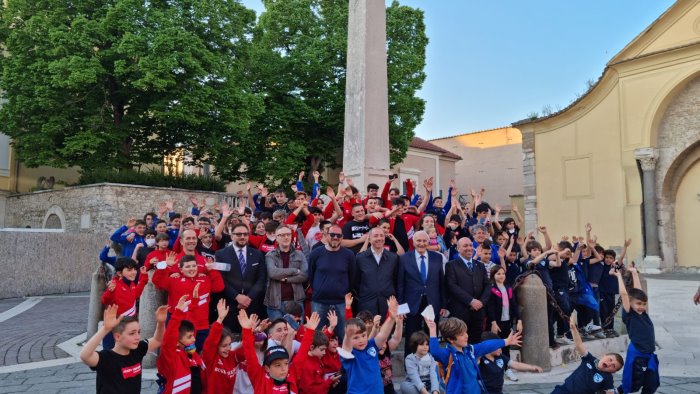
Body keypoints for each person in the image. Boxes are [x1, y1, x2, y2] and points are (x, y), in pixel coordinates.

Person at [80, 304, 167, 394]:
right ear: (117, 336)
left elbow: (157, 340)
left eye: (138, 332)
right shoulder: (106, 357)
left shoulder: (138, 349)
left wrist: (161, 323)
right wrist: (105, 329)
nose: (137, 337)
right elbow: (85, 356)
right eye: (132, 333)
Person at [426, 316, 522, 394]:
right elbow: (435, 352)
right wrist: (433, 330)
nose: (466, 336)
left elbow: (485, 345)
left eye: (466, 332)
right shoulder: (448, 355)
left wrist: (505, 341)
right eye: (461, 334)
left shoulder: (470, 350)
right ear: (451, 339)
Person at [153, 254, 224, 352]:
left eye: (194, 266)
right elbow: (157, 281)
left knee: (198, 357)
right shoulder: (174, 280)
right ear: (181, 270)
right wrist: (167, 266)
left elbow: (219, 287)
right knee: (178, 357)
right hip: (181, 327)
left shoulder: (205, 279)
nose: (192, 269)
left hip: (201, 326)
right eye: (187, 266)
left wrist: (212, 270)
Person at [238, 310, 318, 393]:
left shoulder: (292, 374)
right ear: (267, 368)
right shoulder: (260, 378)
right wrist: (247, 331)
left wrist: (310, 331)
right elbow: (250, 356)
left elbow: (302, 354)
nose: (283, 369)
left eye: (286, 363)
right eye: (278, 365)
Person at [397, 230, 446, 353]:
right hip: (412, 304)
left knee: (432, 336)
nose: (421, 243)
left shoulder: (437, 257)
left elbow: (441, 282)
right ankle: (410, 368)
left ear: (428, 242)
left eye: (424, 241)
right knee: (411, 336)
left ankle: (432, 365)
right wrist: (401, 307)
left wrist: (443, 304)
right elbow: (400, 284)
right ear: (413, 242)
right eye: (418, 240)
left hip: (432, 302)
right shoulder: (404, 258)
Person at [613, 266, 660, 394]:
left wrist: (634, 273)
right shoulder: (629, 314)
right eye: (638, 304)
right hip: (638, 354)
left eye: (644, 304)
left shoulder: (643, 314)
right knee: (632, 382)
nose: (642, 307)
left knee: (652, 382)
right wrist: (618, 276)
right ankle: (617, 391)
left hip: (649, 354)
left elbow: (639, 290)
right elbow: (624, 294)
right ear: (630, 303)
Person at [340, 297, 399, 394]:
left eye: (363, 335)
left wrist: (391, 318)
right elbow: (346, 346)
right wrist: (348, 334)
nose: (361, 340)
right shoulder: (349, 354)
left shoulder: (371, 345)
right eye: (356, 338)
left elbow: (383, 335)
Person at [551, 316, 623, 394]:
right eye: (610, 359)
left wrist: (617, 391)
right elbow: (579, 345)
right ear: (603, 356)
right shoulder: (590, 359)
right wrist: (573, 329)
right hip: (564, 390)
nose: (609, 363)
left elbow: (609, 392)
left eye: (613, 366)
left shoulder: (607, 378)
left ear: (613, 372)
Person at [215, 223, 267, 331]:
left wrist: (249, 298)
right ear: (231, 236)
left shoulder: (258, 254)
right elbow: (221, 279)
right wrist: (237, 297)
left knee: (252, 340)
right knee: (232, 342)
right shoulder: (220, 254)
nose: (242, 237)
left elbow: (261, 279)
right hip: (231, 305)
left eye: (245, 234)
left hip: (252, 305)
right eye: (238, 234)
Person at [308, 224, 356, 339]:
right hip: (319, 302)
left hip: (341, 302)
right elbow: (311, 274)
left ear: (342, 237)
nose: (335, 237)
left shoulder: (349, 255)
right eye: (332, 234)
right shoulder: (316, 253)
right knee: (318, 337)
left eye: (338, 235)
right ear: (326, 235)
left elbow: (353, 276)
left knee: (343, 336)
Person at [157, 295, 206, 394]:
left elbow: (192, 324)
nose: (194, 339)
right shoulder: (172, 357)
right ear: (176, 342)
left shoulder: (193, 355)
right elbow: (168, 340)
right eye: (189, 337)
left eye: (193, 335)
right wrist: (177, 313)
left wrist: (194, 304)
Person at [444, 237, 490, 345]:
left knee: (476, 344)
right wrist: (471, 301)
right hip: (460, 312)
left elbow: (488, 285)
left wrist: (481, 302)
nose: (469, 248)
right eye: (465, 246)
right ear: (458, 248)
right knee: (459, 343)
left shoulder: (480, 265)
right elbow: (452, 286)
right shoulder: (451, 265)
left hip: (478, 312)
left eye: (470, 245)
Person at [100, 257, 149, 350]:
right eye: (129, 270)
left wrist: (144, 276)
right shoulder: (114, 284)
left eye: (135, 269)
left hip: (128, 324)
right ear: (119, 273)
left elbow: (136, 294)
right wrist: (110, 291)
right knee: (109, 350)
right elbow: (105, 300)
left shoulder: (131, 284)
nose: (134, 272)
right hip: (114, 325)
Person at [353, 227, 399, 320]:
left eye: (382, 236)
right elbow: (356, 281)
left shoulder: (393, 258)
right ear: (369, 239)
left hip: (388, 304)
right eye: (376, 236)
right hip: (367, 303)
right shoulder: (360, 258)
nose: (379, 238)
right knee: (367, 333)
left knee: (387, 333)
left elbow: (396, 280)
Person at [264, 225, 308, 321]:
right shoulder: (270, 255)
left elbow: (304, 275)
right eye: (282, 235)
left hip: (296, 302)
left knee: (296, 333)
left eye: (288, 234)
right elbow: (272, 273)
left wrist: (288, 279)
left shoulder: (300, 254)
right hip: (275, 303)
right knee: (278, 334)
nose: (286, 237)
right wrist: (294, 270)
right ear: (276, 238)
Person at [486, 265, 522, 382]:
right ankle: (493, 369)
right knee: (494, 346)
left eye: (503, 273)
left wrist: (519, 320)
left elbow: (514, 305)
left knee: (506, 346)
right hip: (496, 323)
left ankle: (507, 369)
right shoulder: (491, 289)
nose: (501, 276)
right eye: (498, 274)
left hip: (507, 322)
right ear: (493, 275)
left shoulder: (509, 288)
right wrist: (493, 322)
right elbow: (489, 307)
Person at [479, 331, 543, 394]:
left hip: (498, 391)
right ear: (488, 346)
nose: (500, 348)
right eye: (498, 346)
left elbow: (516, 365)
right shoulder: (480, 359)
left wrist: (532, 367)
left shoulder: (501, 357)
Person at [202, 299, 242, 394]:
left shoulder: (231, 356)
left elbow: (246, 350)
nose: (228, 348)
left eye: (229, 344)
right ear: (216, 346)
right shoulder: (209, 358)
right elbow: (211, 343)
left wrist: (252, 332)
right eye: (224, 346)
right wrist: (220, 319)